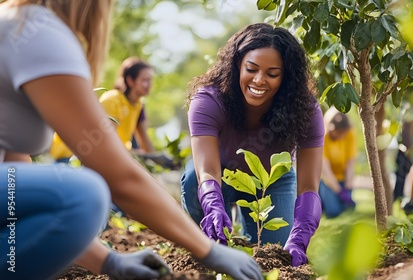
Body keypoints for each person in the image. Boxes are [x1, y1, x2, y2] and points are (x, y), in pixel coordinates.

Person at [0, 1, 262, 280]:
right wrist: (207, 249)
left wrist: (109, 262)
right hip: (69, 162)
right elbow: (117, 175)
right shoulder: (37, 32)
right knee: (86, 194)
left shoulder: (19, 22)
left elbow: (16, 187)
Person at [181, 23, 325, 267]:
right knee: (193, 178)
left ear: (286, 76)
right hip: (220, 175)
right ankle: (205, 246)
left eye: (272, 74)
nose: (259, 80)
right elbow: (206, 171)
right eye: (251, 69)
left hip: (272, 181)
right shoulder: (209, 100)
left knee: (275, 255)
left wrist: (300, 237)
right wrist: (214, 207)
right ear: (238, 64)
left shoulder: (305, 110)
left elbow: (309, 186)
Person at [49, 56, 177, 169]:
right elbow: (106, 146)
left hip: (110, 157)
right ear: (130, 81)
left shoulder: (138, 105)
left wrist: (159, 161)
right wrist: (146, 157)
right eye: (144, 80)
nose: (149, 84)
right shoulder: (113, 100)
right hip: (70, 156)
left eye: (150, 80)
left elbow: (145, 141)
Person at [318, 107, 357, 218]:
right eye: (338, 132)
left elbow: (350, 162)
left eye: (343, 133)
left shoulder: (350, 133)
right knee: (333, 212)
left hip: (343, 178)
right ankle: (321, 200)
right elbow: (325, 170)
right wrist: (339, 191)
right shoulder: (323, 137)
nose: (341, 136)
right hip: (328, 180)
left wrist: (348, 185)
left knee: (347, 210)